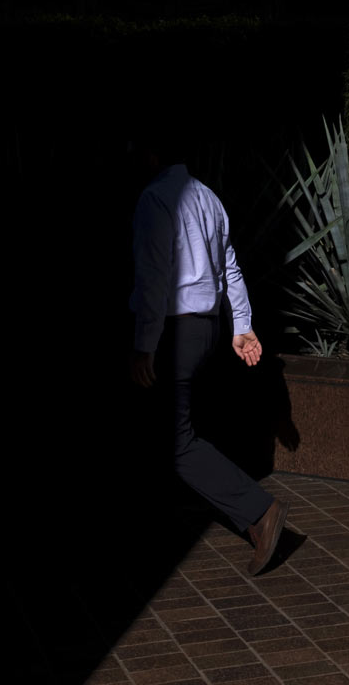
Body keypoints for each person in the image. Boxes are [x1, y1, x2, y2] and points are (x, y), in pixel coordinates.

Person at [127, 129, 289, 577]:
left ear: (151, 153)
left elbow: (156, 278)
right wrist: (241, 326)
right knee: (170, 425)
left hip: (174, 333)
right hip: (208, 330)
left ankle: (259, 512)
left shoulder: (155, 200)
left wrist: (143, 345)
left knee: (178, 443)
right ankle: (179, 512)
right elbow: (229, 267)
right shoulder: (208, 198)